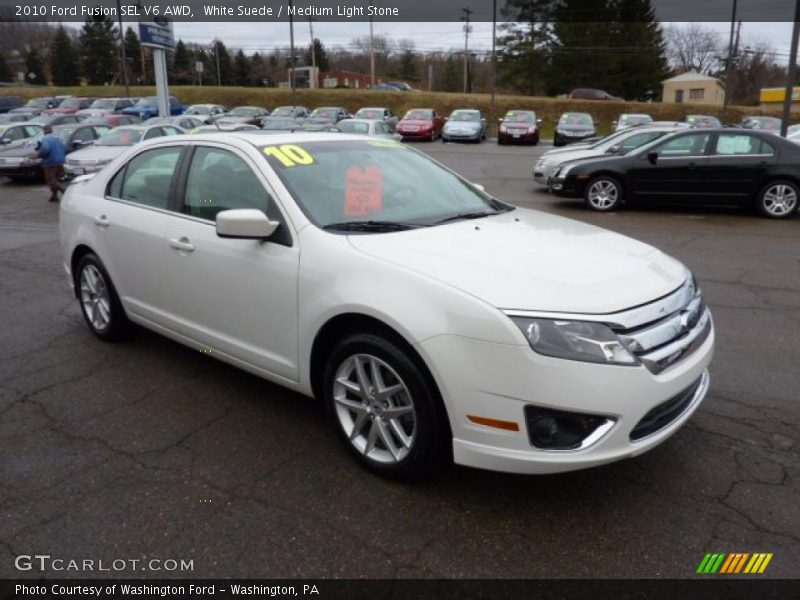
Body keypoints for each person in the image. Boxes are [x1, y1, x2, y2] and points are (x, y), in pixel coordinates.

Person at [29, 125, 67, 202]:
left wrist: (38, 155)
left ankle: (63, 190)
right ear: (51, 130)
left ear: (44, 131)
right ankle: (54, 196)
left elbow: (45, 149)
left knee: (50, 179)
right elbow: (64, 148)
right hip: (59, 161)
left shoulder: (46, 139)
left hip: (50, 162)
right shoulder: (57, 138)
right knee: (55, 179)